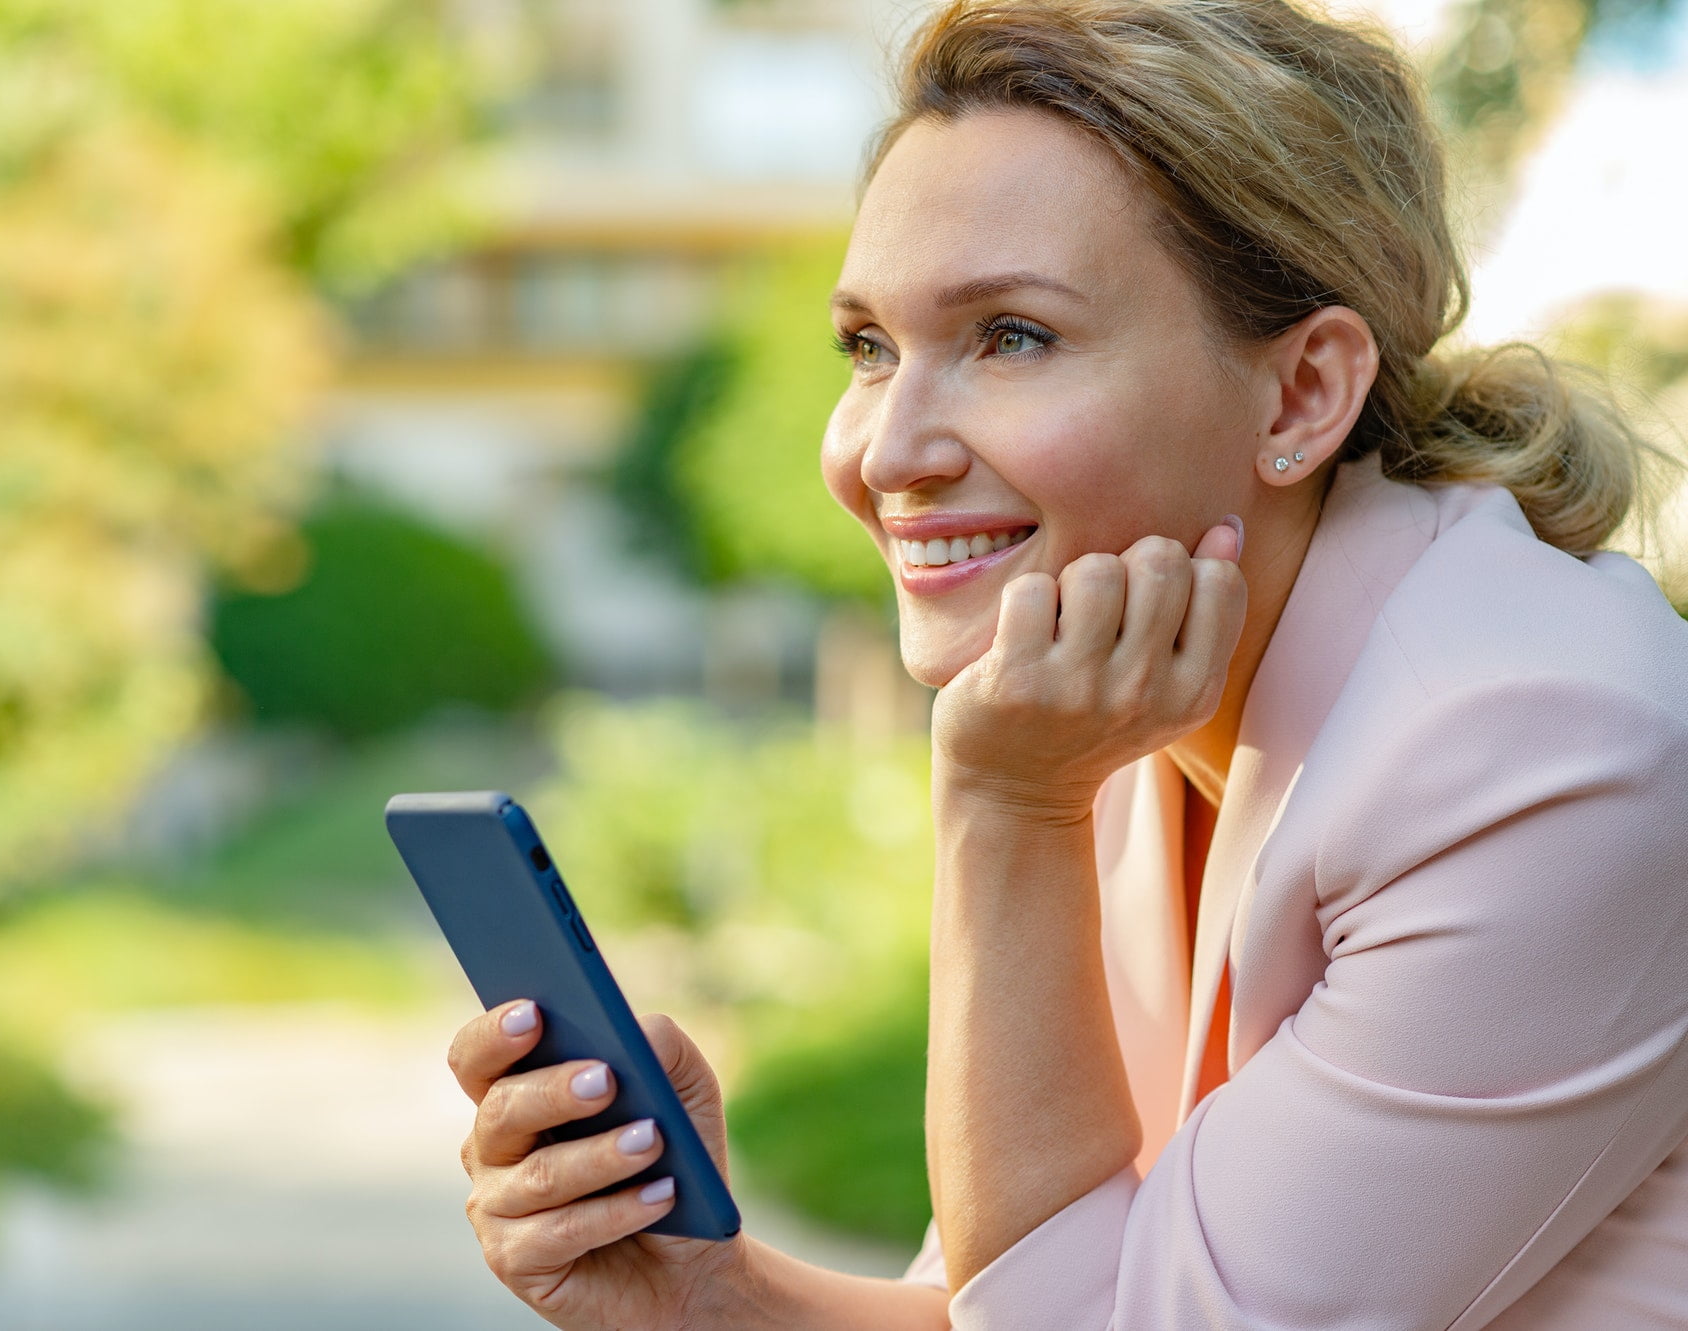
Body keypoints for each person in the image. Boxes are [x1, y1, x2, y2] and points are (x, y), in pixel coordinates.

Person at [443, 0, 1688, 1325]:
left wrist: (1004, 808)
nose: (883, 452)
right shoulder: (1119, 695)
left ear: (1303, 394)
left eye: (1011, 336)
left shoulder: (1544, 747)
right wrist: (707, 1293)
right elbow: (1031, 1291)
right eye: (869, 347)